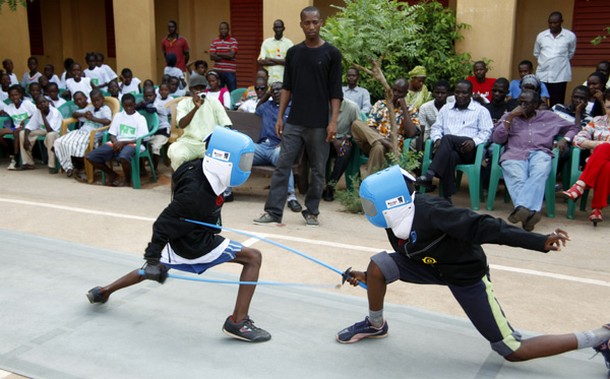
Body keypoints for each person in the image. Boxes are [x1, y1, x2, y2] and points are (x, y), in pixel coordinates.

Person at [336, 165, 610, 377]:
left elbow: (487, 227)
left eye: (370, 204)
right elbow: (407, 253)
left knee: (511, 350)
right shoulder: (394, 220)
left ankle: (601, 336)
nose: (367, 210)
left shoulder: (434, 212)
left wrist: (538, 241)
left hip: (464, 276)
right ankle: (375, 325)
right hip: (431, 266)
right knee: (377, 267)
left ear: (393, 201)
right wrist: (365, 276)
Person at [86, 127, 271, 343]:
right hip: (197, 243)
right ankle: (238, 322)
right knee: (253, 257)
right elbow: (163, 224)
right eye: (243, 160)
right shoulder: (194, 194)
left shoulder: (193, 166)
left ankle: (104, 291)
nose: (245, 166)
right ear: (224, 158)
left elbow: (176, 203)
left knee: (154, 269)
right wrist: (153, 257)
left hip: (181, 239)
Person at [253, 6, 343, 227]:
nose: (311, 26)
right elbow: (287, 88)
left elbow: (335, 92)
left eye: (315, 22)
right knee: (282, 166)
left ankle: (311, 211)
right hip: (294, 122)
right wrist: (280, 117)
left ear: (320, 23)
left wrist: (333, 121)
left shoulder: (332, 54)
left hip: (320, 124)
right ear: (301, 24)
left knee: (318, 170)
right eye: (307, 23)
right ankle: (274, 211)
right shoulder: (294, 53)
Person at [492, 89, 578, 231]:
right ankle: (531, 214)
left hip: (540, 152)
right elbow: (497, 138)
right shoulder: (510, 116)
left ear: (537, 104)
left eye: (527, 103)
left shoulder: (549, 117)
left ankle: (523, 210)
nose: (522, 106)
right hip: (515, 153)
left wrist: (565, 139)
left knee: (539, 171)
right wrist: (510, 117)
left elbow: (574, 127)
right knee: (517, 178)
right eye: (520, 102)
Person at [415, 80, 493, 201]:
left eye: (464, 93)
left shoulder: (481, 111)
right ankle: (447, 197)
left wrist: (474, 142)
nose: (460, 96)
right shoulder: (446, 109)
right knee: (451, 155)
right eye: (457, 92)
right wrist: (437, 139)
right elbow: (436, 128)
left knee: (448, 138)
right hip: (448, 149)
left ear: (471, 93)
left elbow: (487, 132)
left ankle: (430, 174)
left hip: (469, 150)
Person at [351, 78, 420, 178]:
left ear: (405, 93)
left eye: (399, 92)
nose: (395, 93)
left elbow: (411, 133)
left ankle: (370, 187)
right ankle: (384, 141)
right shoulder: (380, 104)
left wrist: (404, 109)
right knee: (356, 123)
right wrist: (383, 139)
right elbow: (370, 126)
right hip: (370, 143)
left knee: (379, 147)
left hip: (392, 150)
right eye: (394, 90)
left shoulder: (411, 110)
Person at [253, 81, 302, 212]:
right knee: (241, 152)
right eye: (273, 90)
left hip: (278, 148)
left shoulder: (293, 108)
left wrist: (284, 144)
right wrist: (267, 94)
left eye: (279, 89)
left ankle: (291, 197)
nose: (275, 92)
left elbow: (295, 133)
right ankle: (227, 191)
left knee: (283, 158)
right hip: (262, 147)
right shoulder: (267, 106)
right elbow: (257, 108)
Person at [563, 90, 610, 225]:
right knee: (606, 167)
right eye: (608, 107)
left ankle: (580, 185)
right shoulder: (596, 121)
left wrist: (601, 147)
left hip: (594, 161)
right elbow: (577, 139)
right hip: (598, 163)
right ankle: (596, 210)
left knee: (605, 148)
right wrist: (597, 144)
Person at [167, 74, 232, 172]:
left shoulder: (213, 102)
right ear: (190, 89)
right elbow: (181, 124)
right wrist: (195, 108)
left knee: (223, 159)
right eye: (196, 88)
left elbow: (226, 123)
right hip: (189, 143)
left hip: (209, 144)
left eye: (202, 88)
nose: (199, 91)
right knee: (176, 154)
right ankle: (180, 184)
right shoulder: (184, 104)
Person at [86, 93, 148, 187]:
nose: (128, 108)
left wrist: (122, 143)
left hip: (133, 144)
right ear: (123, 105)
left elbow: (140, 138)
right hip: (117, 142)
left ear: (135, 104)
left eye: (131, 105)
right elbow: (112, 134)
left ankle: (128, 180)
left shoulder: (140, 118)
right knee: (91, 156)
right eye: (126, 106)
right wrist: (116, 143)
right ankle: (112, 174)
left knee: (123, 156)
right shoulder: (118, 116)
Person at [54, 90, 112, 180]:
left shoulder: (105, 109)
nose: (96, 103)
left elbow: (108, 121)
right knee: (59, 141)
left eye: (98, 100)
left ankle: (80, 166)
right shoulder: (90, 108)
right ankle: (68, 167)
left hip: (91, 135)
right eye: (94, 101)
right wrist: (84, 114)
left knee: (75, 144)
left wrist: (93, 118)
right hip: (81, 132)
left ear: (103, 99)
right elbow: (74, 113)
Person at [533, 11, 577, 107]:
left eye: (555, 23)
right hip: (543, 75)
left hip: (560, 76)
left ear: (561, 21)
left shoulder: (570, 36)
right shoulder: (541, 36)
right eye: (550, 22)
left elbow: (570, 53)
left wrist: (557, 61)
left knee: (557, 104)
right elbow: (536, 53)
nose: (552, 25)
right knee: (540, 102)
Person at [322, 98, 361, 201]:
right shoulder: (322, 104)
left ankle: (330, 186)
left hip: (342, 139)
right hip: (324, 138)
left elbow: (357, 128)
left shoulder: (352, 107)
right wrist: (334, 140)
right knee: (316, 149)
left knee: (345, 151)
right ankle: (318, 185)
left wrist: (347, 138)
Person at [18, 95, 63, 172]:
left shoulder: (55, 112)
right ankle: (28, 163)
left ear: (48, 103)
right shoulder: (37, 111)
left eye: (44, 102)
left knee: (50, 135)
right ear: (37, 106)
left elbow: (50, 130)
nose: (42, 104)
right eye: (39, 103)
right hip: (43, 130)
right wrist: (26, 139)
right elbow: (29, 127)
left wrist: (43, 114)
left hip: (57, 132)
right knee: (22, 133)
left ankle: (52, 166)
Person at [0, 85, 37, 170]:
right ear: (9, 97)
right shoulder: (9, 107)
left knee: (17, 132)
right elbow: (3, 112)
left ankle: (16, 159)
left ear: (20, 95)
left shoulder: (27, 104)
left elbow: (36, 113)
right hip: (16, 127)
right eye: (12, 96)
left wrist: (26, 119)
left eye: (16, 95)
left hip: (28, 127)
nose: (14, 97)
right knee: (1, 132)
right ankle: (11, 152)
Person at [257, 19, 294, 84]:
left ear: (283, 28)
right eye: (276, 27)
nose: (278, 29)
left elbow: (290, 62)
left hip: (284, 80)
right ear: (273, 28)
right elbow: (260, 61)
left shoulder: (289, 43)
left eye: (280, 27)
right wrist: (282, 61)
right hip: (269, 80)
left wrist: (271, 59)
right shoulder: (266, 42)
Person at [209, 22, 238, 92]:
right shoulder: (214, 41)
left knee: (232, 92)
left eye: (225, 28)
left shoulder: (233, 41)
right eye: (221, 29)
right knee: (218, 92)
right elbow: (212, 56)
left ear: (228, 29)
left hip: (229, 71)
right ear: (219, 30)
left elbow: (231, 55)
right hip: (217, 71)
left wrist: (218, 53)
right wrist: (226, 54)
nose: (223, 30)